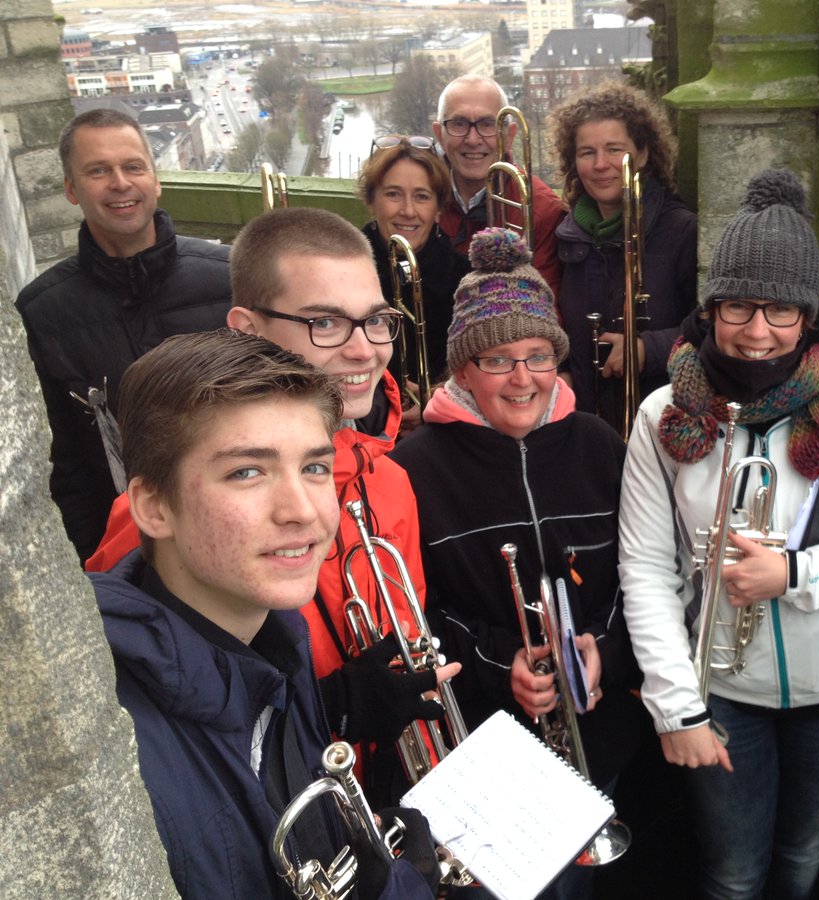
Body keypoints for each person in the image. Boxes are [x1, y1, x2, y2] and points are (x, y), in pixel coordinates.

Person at [87, 208, 457, 810]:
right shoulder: (170, 512)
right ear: (247, 331)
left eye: (377, 321)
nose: (365, 349)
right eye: (325, 322)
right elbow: (146, 712)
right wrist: (333, 704)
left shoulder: (388, 480)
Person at [619, 170, 819, 900]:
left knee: (802, 856)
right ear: (710, 308)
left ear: (811, 316)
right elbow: (645, 568)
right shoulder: (665, 415)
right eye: (738, 307)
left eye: (782, 310)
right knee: (730, 873)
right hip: (721, 695)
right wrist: (676, 707)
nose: (758, 333)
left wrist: (797, 575)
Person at [88, 329, 438, 899]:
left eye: (316, 468)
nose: (301, 511)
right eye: (247, 472)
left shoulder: (278, 641)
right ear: (152, 506)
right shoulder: (114, 750)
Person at [390, 228, 647, 900]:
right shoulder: (414, 467)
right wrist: (506, 666)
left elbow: (640, 574)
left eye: (539, 356)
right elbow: (419, 610)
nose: (524, 377)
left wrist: (605, 653)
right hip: (486, 742)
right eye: (499, 359)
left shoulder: (597, 444)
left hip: (598, 729)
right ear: (463, 369)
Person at [16, 108, 231, 563]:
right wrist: (99, 567)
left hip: (239, 531)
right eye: (98, 171)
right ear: (71, 190)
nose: (120, 182)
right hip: (129, 557)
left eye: (133, 166)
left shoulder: (228, 278)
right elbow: (64, 467)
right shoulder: (42, 313)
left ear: (156, 179)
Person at [548, 81, 698, 432]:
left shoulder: (681, 231)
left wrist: (648, 348)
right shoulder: (567, 233)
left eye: (615, 149)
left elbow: (711, 328)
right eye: (587, 152)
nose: (601, 164)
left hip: (660, 424)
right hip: (585, 422)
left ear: (643, 154)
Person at [358, 134, 470, 421]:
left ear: (438, 209)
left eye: (422, 197)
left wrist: (445, 397)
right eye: (393, 194)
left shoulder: (467, 279)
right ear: (372, 201)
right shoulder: (341, 271)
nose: (407, 210)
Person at [432, 73, 566, 297]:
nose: (473, 140)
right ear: (439, 134)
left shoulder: (542, 209)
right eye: (458, 123)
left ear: (510, 135)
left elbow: (547, 312)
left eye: (487, 124)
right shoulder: (419, 198)